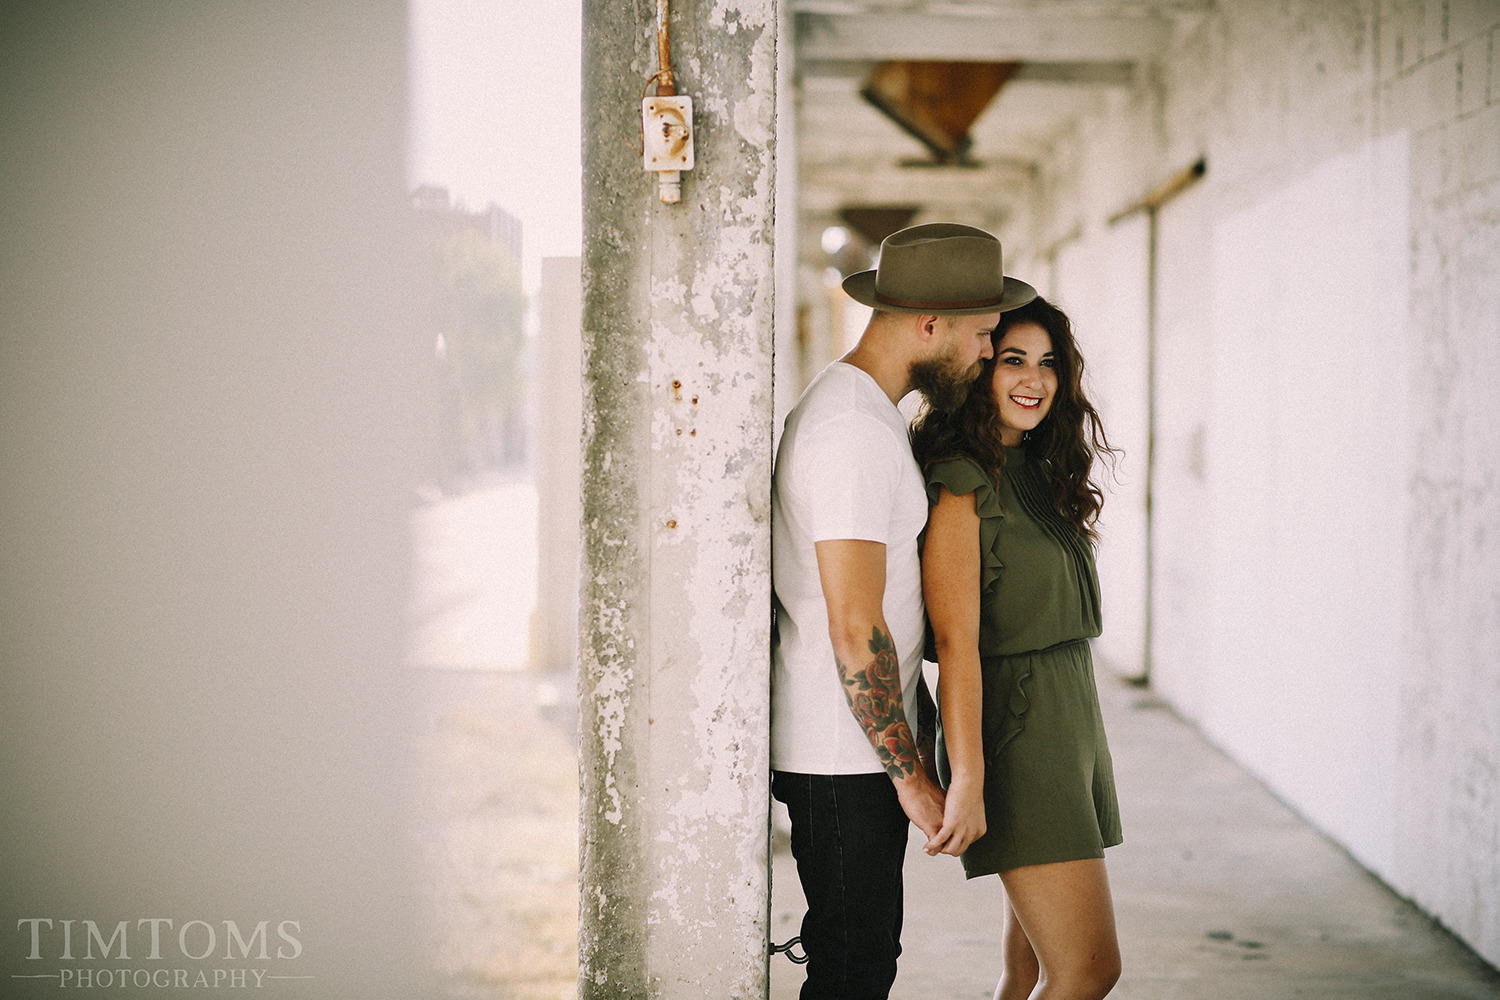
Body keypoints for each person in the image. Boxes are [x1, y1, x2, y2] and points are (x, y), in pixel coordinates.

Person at [770, 223, 1038, 999]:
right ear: (930, 324)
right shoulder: (853, 432)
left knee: (856, 963)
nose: (990, 353)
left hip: (849, 753)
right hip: (844, 759)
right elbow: (855, 625)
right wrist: (912, 776)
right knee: (854, 972)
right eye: (984, 335)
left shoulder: (862, 411)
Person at [911, 295, 1122, 1000]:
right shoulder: (961, 483)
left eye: (1048, 363)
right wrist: (967, 776)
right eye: (1012, 360)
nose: (1034, 378)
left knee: (1029, 967)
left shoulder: (1035, 464)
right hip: (1020, 733)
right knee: (1089, 971)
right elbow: (955, 640)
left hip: (1068, 722)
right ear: (980, 367)